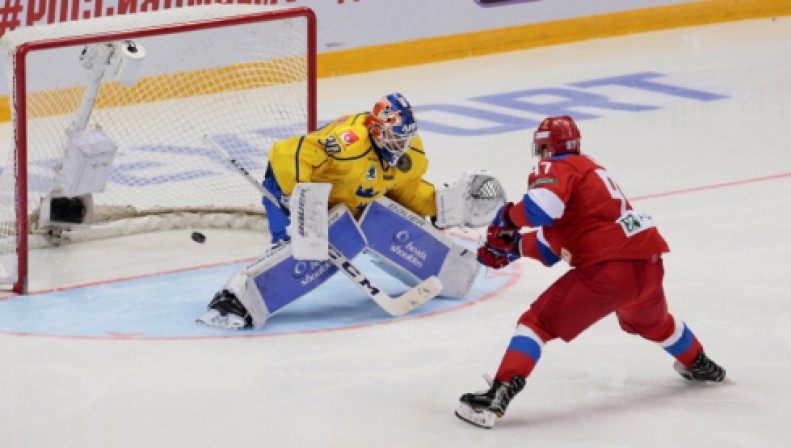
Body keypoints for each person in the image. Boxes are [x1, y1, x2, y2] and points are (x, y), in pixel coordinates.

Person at [455, 116, 726, 429]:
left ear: (545, 147)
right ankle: (701, 364)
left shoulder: (556, 167)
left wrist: (508, 219)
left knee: (536, 323)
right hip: (648, 265)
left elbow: (541, 209)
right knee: (655, 323)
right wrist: (512, 246)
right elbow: (553, 241)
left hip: (609, 270)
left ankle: (496, 396)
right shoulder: (592, 171)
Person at [197, 92, 503, 330]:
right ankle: (234, 301)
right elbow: (287, 153)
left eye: (405, 137)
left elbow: (403, 189)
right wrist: (301, 200)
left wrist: (440, 206)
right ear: (377, 130)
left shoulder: (409, 151)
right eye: (395, 137)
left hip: (347, 195)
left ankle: (451, 271)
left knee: (380, 219)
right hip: (297, 188)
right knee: (303, 249)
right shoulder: (348, 144)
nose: (401, 144)